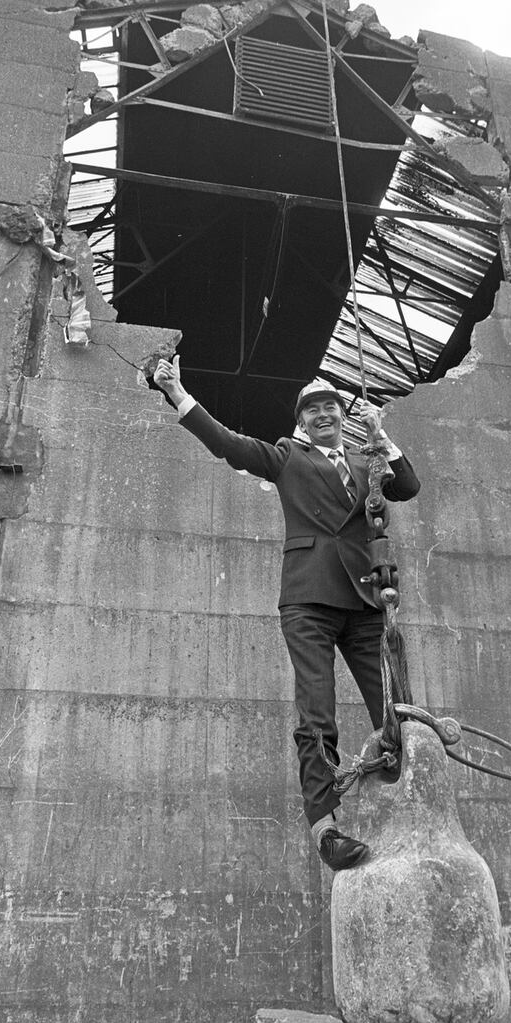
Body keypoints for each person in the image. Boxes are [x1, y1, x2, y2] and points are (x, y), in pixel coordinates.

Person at [153, 356, 421, 871]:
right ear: (301, 422)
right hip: (309, 601)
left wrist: (382, 438)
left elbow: (407, 487)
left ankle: (404, 788)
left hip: (366, 601)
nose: (323, 413)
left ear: (343, 415)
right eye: (312, 409)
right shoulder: (287, 457)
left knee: (398, 709)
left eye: (331, 406)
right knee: (316, 713)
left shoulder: (369, 463)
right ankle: (326, 827)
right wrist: (177, 391)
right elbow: (230, 446)